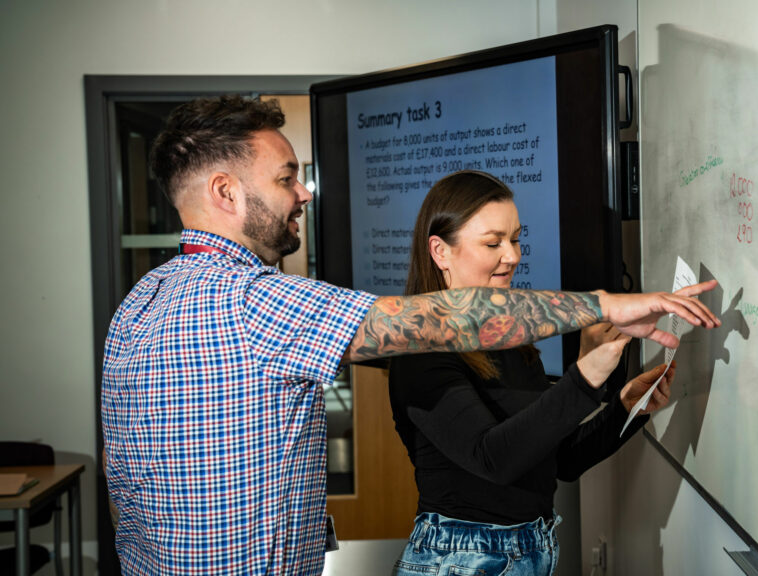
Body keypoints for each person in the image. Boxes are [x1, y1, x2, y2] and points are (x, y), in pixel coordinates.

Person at [100, 95, 719, 575]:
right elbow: (447, 325)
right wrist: (608, 305)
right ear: (225, 191)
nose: (305, 191)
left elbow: (125, 490)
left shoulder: (140, 304)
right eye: (288, 177)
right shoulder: (246, 299)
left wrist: (618, 401)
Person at [388, 171, 718, 575]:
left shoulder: (512, 338)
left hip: (530, 552)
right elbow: (495, 459)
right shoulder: (418, 350)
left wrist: (626, 408)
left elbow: (561, 460)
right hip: (459, 561)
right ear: (440, 252)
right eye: (493, 243)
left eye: (515, 238)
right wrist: (582, 380)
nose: (511, 256)